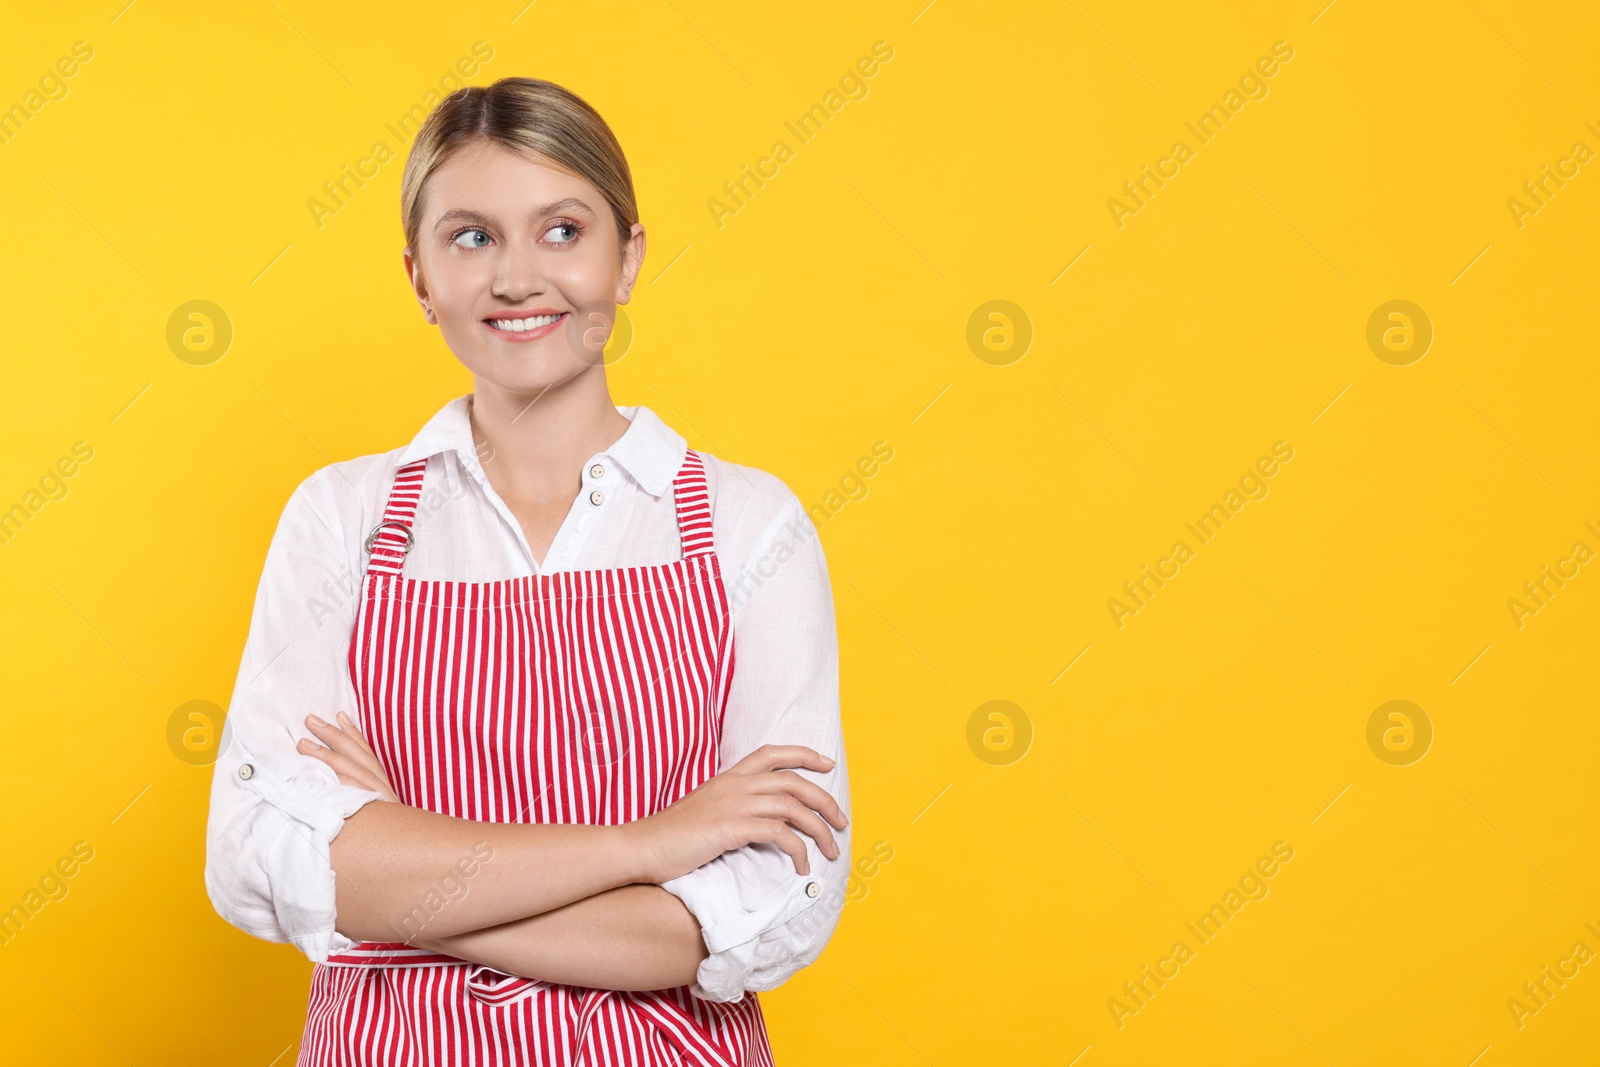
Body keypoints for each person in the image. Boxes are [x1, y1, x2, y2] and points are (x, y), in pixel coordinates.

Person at [203, 76, 851, 1066]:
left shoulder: (747, 526)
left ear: (626, 259)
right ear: (419, 276)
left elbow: (762, 909)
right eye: (471, 237)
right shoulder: (341, 519)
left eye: (561, 230)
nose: (517, 279)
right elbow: (258, 857)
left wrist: (400, 875)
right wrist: (651, 843)